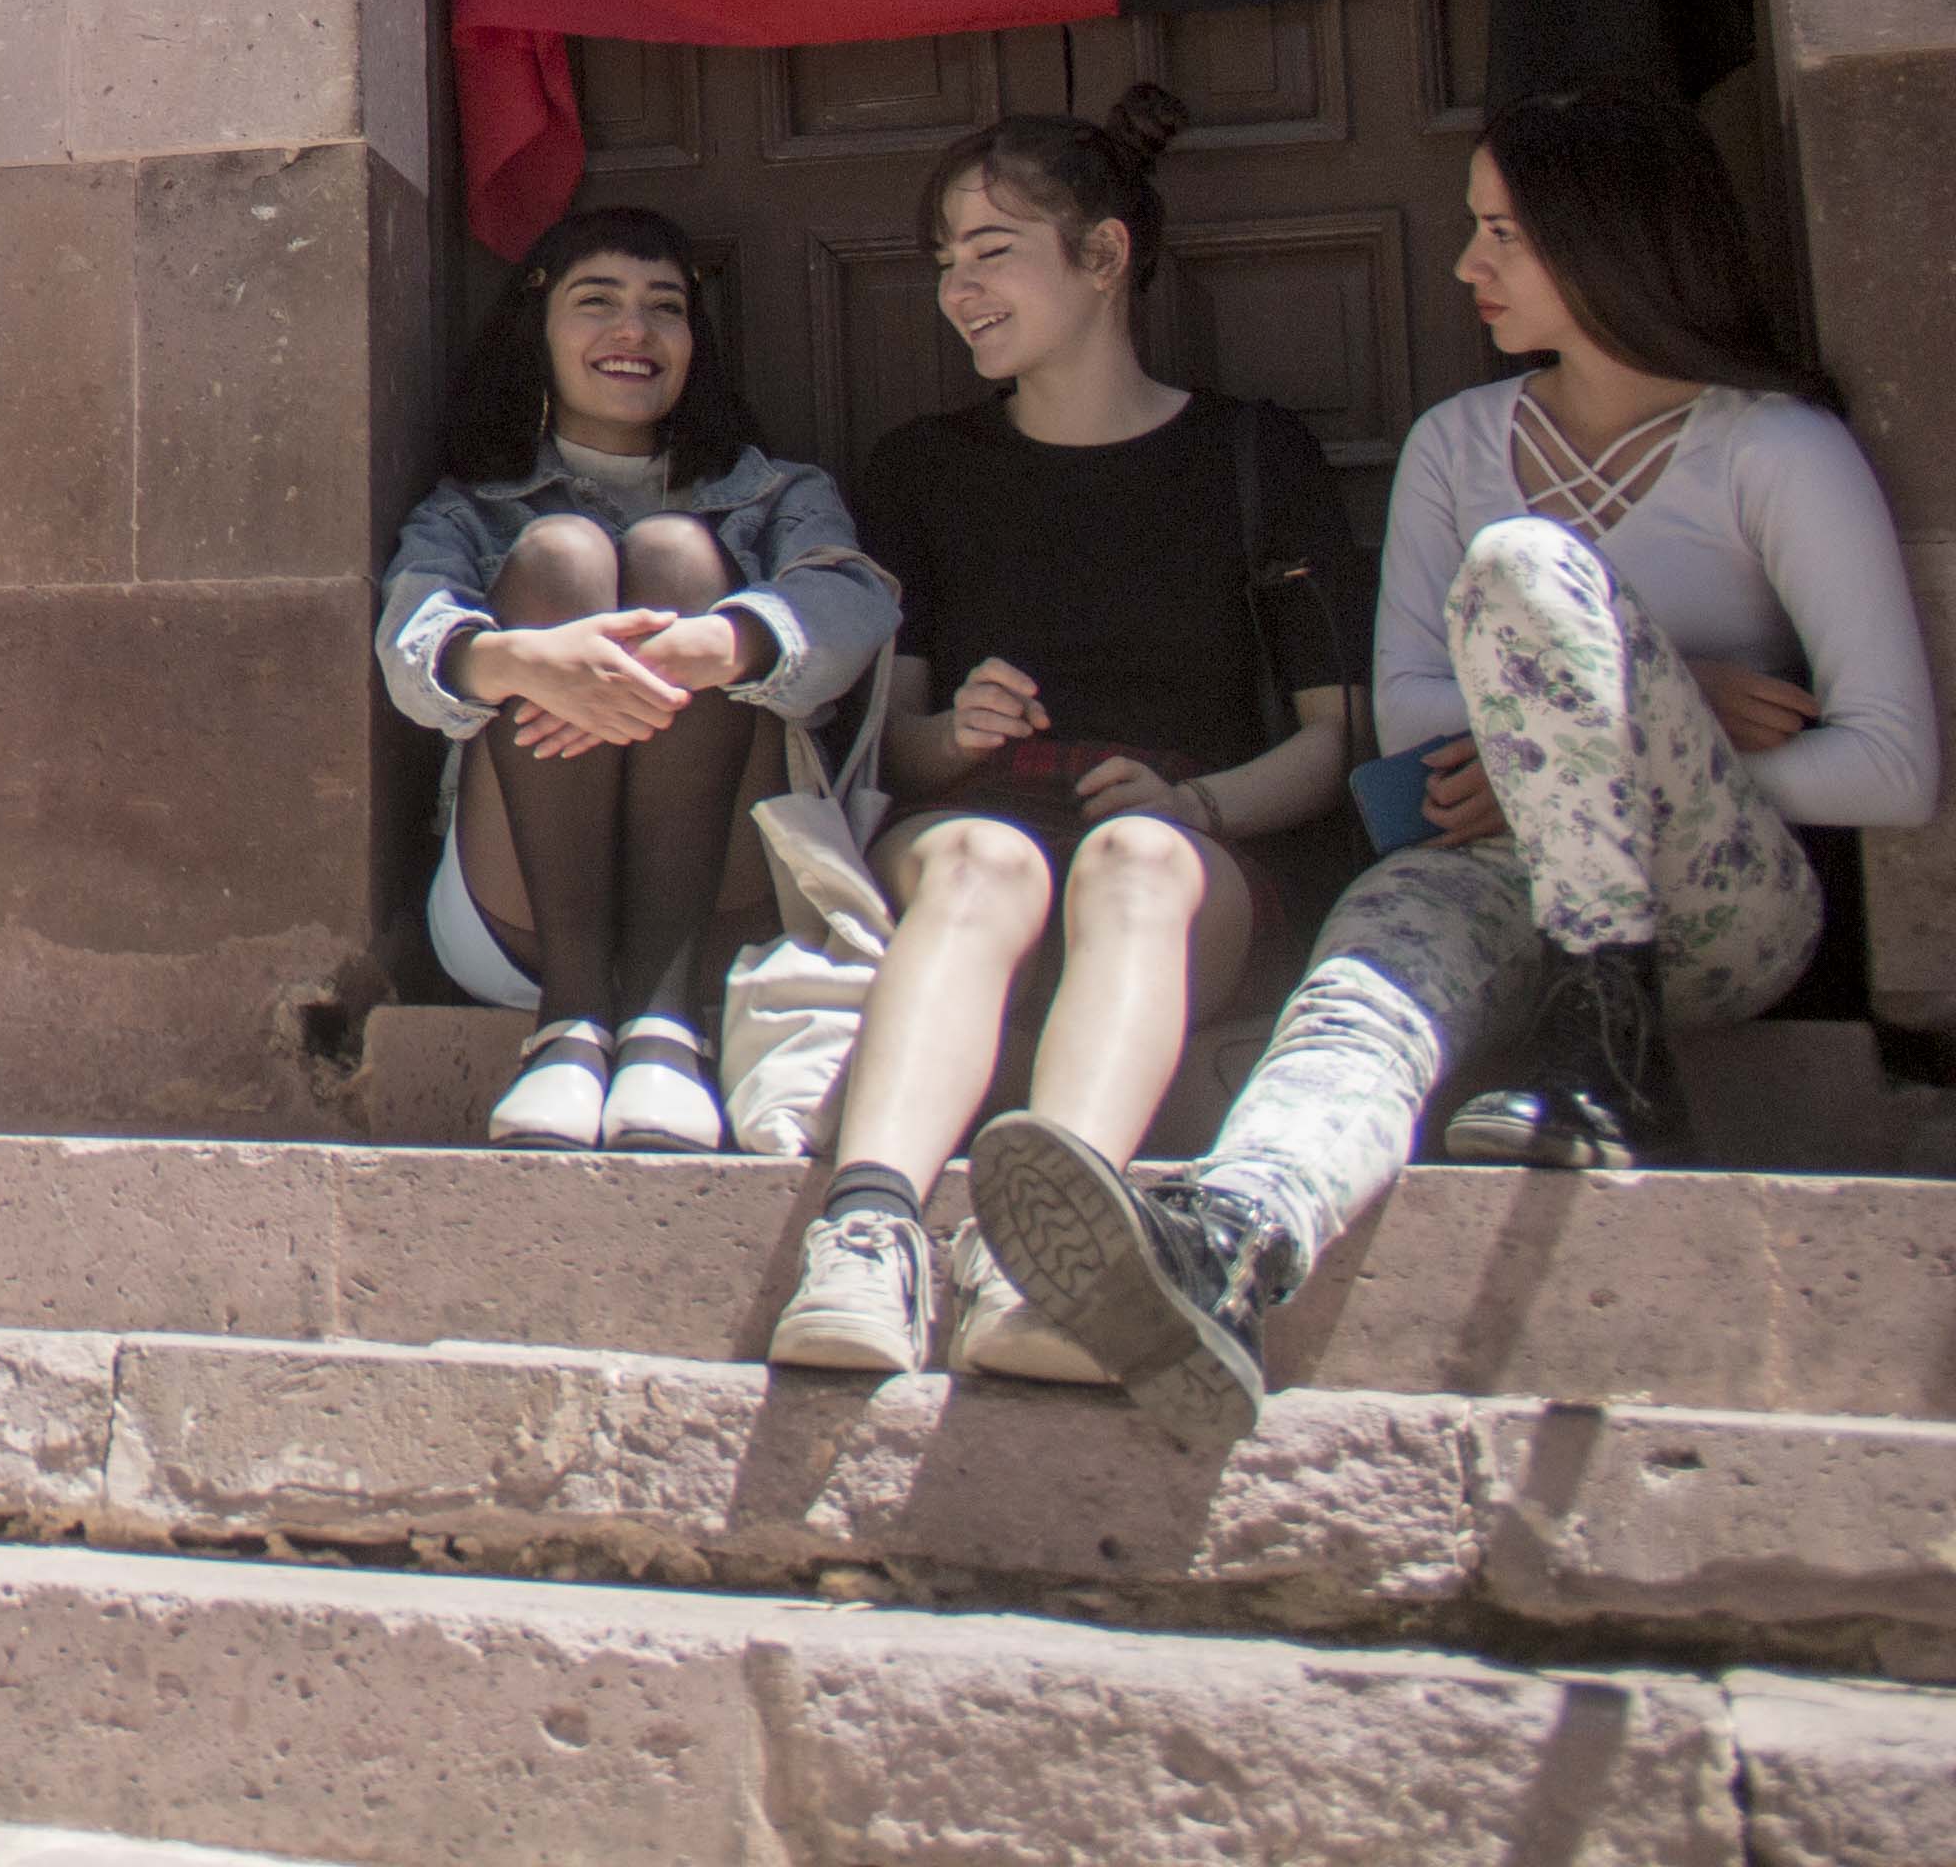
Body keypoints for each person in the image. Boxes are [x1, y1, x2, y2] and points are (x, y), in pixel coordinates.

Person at [974, 83, 1942, 1448]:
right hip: (1493, 884)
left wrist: (1617, 732)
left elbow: (1892, 767)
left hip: (1719, 914)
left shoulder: (1772, 450)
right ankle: (1232, 1239)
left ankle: (1614, 1061)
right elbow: (1414, 707)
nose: (1465, 266)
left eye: (1504, 234)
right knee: (1367, 979)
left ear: (1610, 241)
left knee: (1528, 571)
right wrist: (1574, 737)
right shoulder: (1459, 443)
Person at [764, 94, 1361, 1374]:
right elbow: (897, 753)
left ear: (1103, 258)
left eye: (993, 253)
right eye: (944, 262)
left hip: (1183, 860)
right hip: (979, 844)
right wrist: (956, 739)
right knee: (992, 861)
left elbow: (1330, 741)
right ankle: (867, 1237)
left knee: (1128, 861)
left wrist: (1195, 812)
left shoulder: (1255, 454)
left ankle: (1049, 1265)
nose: (958, 290)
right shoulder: (924, 468)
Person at [379, 210, 894, 1149]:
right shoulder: (469, 505)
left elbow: (854, 610)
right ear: (539, 332)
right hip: (518, 919)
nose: (634, 331)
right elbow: (408, 644)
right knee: (562, 558)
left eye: (665, 307)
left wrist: (722, 647)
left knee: (676, 554)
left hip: (729, 908)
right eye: (597, 302)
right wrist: (524, 661)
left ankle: (664, 1025)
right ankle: (570, 1026)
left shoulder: (776, 493)